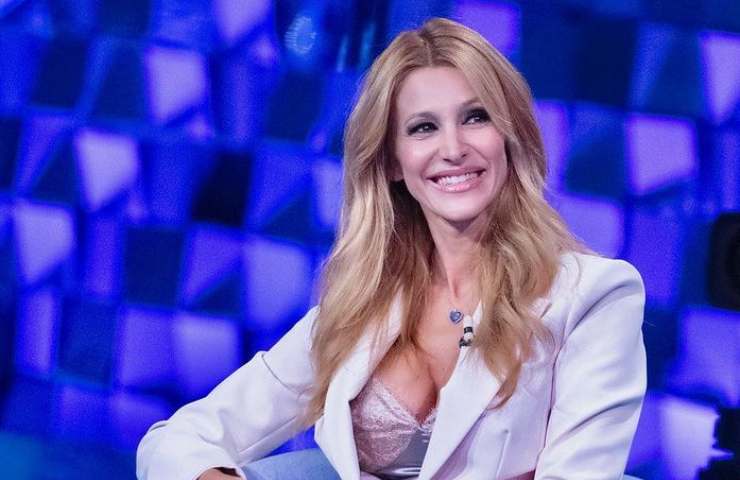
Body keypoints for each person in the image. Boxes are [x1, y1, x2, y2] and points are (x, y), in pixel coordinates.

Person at [136, 17, 646, 480]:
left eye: (475, 118)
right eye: (424, 127)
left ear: (509, 139)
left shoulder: (593, 296)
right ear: (393, 162)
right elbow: (174, 442)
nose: (453, 148)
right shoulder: (360, 305)